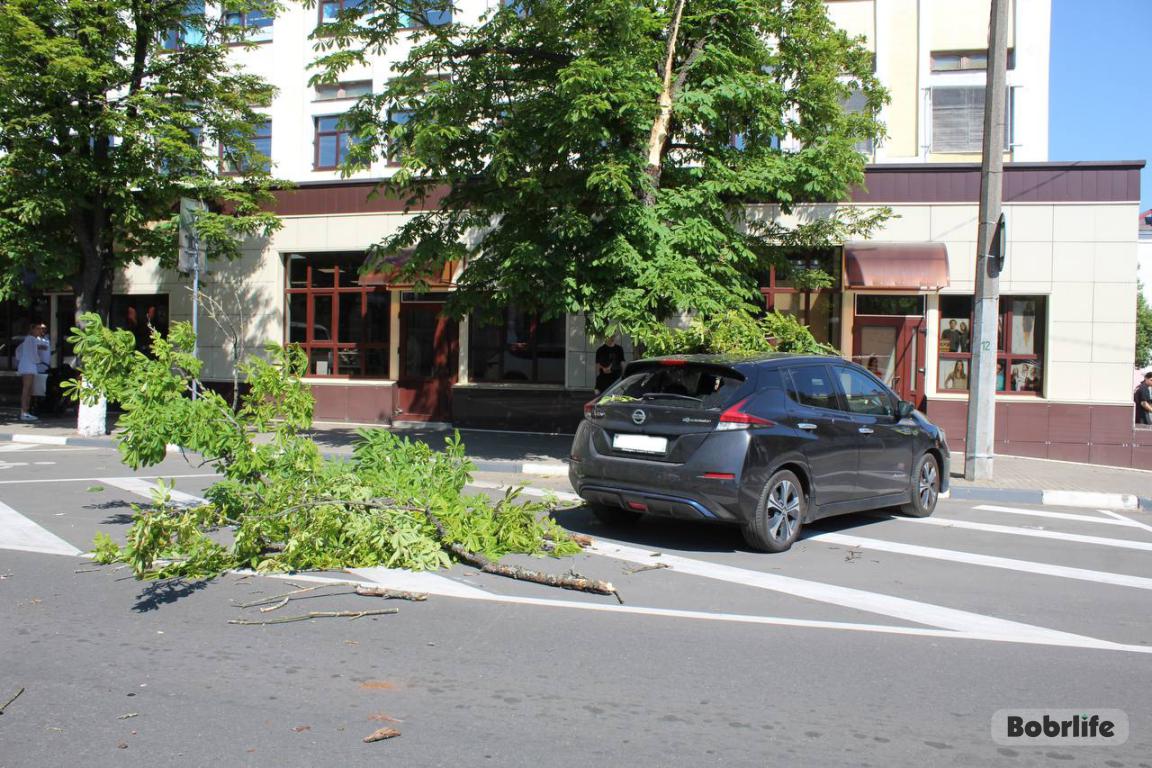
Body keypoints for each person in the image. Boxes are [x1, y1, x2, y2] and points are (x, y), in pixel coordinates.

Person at [17, 322, 51, 422]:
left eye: (40, 329)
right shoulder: (31, 339)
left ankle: (26, 411)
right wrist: (38, 361)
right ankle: (24, 412)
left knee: (29, 390)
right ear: (32, 330)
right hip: (28, 366)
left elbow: (19, 351)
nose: (39, 331)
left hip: (28, 365)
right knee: (27, 389)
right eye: (37, 329)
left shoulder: (30, 340)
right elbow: (33, 354)